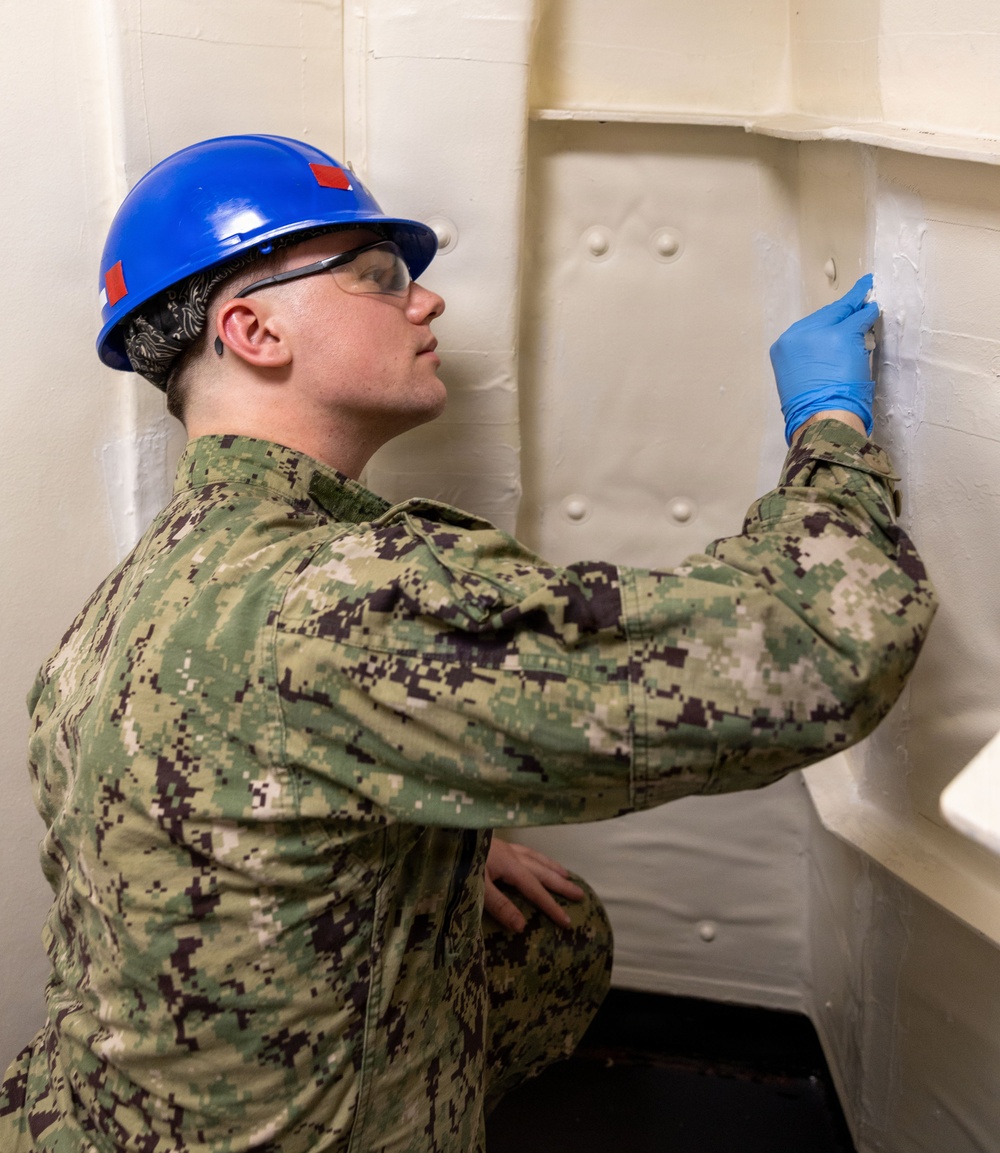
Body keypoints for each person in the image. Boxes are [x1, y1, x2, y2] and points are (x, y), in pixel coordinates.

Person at [1, 134, 935, 1153]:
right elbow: (815, 646)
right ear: (252, 329)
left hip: (77, 1119)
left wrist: (401, 847)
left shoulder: (132, 600)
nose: (426, 300)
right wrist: (831, 428)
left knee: (551, 936)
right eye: (380, 275)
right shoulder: (340, 600)